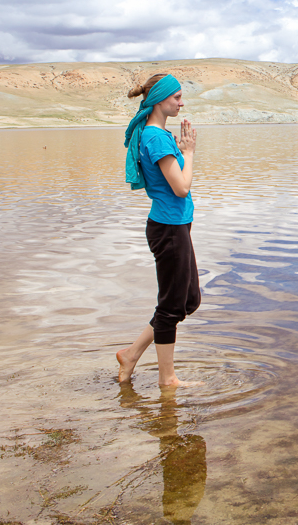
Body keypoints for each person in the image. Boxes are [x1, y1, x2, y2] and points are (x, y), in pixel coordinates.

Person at [116, 73, 201, 387]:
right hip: (168, 229)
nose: (181, 103)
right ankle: (168, 379)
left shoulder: (158, 135)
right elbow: (181, 188)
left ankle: (131, 354)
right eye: (176, 97)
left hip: (175, 226)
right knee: (170, 307)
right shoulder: (156, 138)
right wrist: (188, 152)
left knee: (188, 301)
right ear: (159, 100)